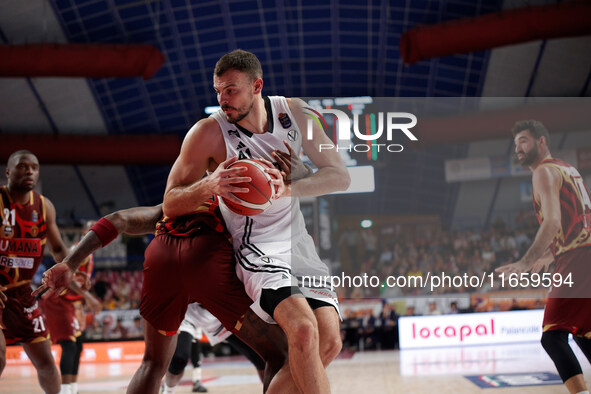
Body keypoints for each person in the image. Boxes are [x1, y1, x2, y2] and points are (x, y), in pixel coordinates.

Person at [163, 49, 350, 394]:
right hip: (255, 249)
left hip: (298, 245)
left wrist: (289, 187)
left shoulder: (296, 112)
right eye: (218, 91)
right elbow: (169, 203)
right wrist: (209, 184)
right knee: (304, 331)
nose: (222, 100)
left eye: (231, 90)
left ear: (257, 86)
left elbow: (339, 177)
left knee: (329, 343)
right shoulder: (208, 133)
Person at [35, 203, 289, 394]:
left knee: (153, 363)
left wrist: (69, 263)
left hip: (162, 259)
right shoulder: (234, 200)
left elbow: (117, 219)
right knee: (280, 352)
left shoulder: (174, 203)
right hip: (209, 264)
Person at [496, 120, 591, 394]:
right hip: (580, 254)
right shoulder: (568, 168)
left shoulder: (543, 172)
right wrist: (551, 256)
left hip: (578, 258)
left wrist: (524, 263)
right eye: (515, 144)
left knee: (552, 336)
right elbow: (579, 220)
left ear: (541, 142)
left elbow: (551, 222)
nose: (518, 149)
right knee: (583, 332)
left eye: (523, 141)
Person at [0, 150, 68, 394]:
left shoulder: (44, 206)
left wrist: (76, 274)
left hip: (23, 294)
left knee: (47, 362)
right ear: (8, 172)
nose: (29, 170)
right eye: (22, 166)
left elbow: (59, 249)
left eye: (34, 167)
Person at [41, 221, 102, 394]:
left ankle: (72, 389)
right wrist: (89, 297)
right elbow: (67, 279)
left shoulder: (89, 252)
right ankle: (65, 391)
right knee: (69, 346)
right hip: (58, 300)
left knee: (79, 345)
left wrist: (82, 301)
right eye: (93, 230)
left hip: (71, 301)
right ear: (85, 232)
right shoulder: (77, 250)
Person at [162, 303, 266, 394]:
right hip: (187, 313)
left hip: (216, 310)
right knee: (179, 359)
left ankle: (271, 390)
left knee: (259, 355)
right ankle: (168, 391)